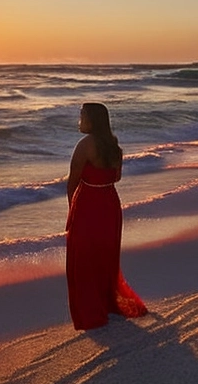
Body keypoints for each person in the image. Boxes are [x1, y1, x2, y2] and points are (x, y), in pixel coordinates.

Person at [66, 102, 147, 330]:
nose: (80, 120)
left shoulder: (84, 145)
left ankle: (91, 311)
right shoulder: (113, 144)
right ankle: (106, 303)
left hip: (88, 203)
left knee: (83, 258)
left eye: (82, 116)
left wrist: (72, 208)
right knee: (104, 256)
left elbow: (73, 180)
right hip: (110, 203)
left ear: (92, 119)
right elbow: (116, 177)